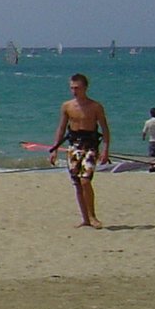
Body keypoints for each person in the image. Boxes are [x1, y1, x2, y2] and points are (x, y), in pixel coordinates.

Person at [47, 73, 110, 229]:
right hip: (73, 147)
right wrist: (54, 149)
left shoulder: (95, 107)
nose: (74, 91)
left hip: (90, 146)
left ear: (85, 88)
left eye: (77, 88)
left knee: (85, 181)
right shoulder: (67, 106)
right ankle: (85, 219)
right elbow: (61, 128)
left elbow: (105, 129)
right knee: (77, 183)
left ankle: (93, 216)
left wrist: (106, 150)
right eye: (72, 88)